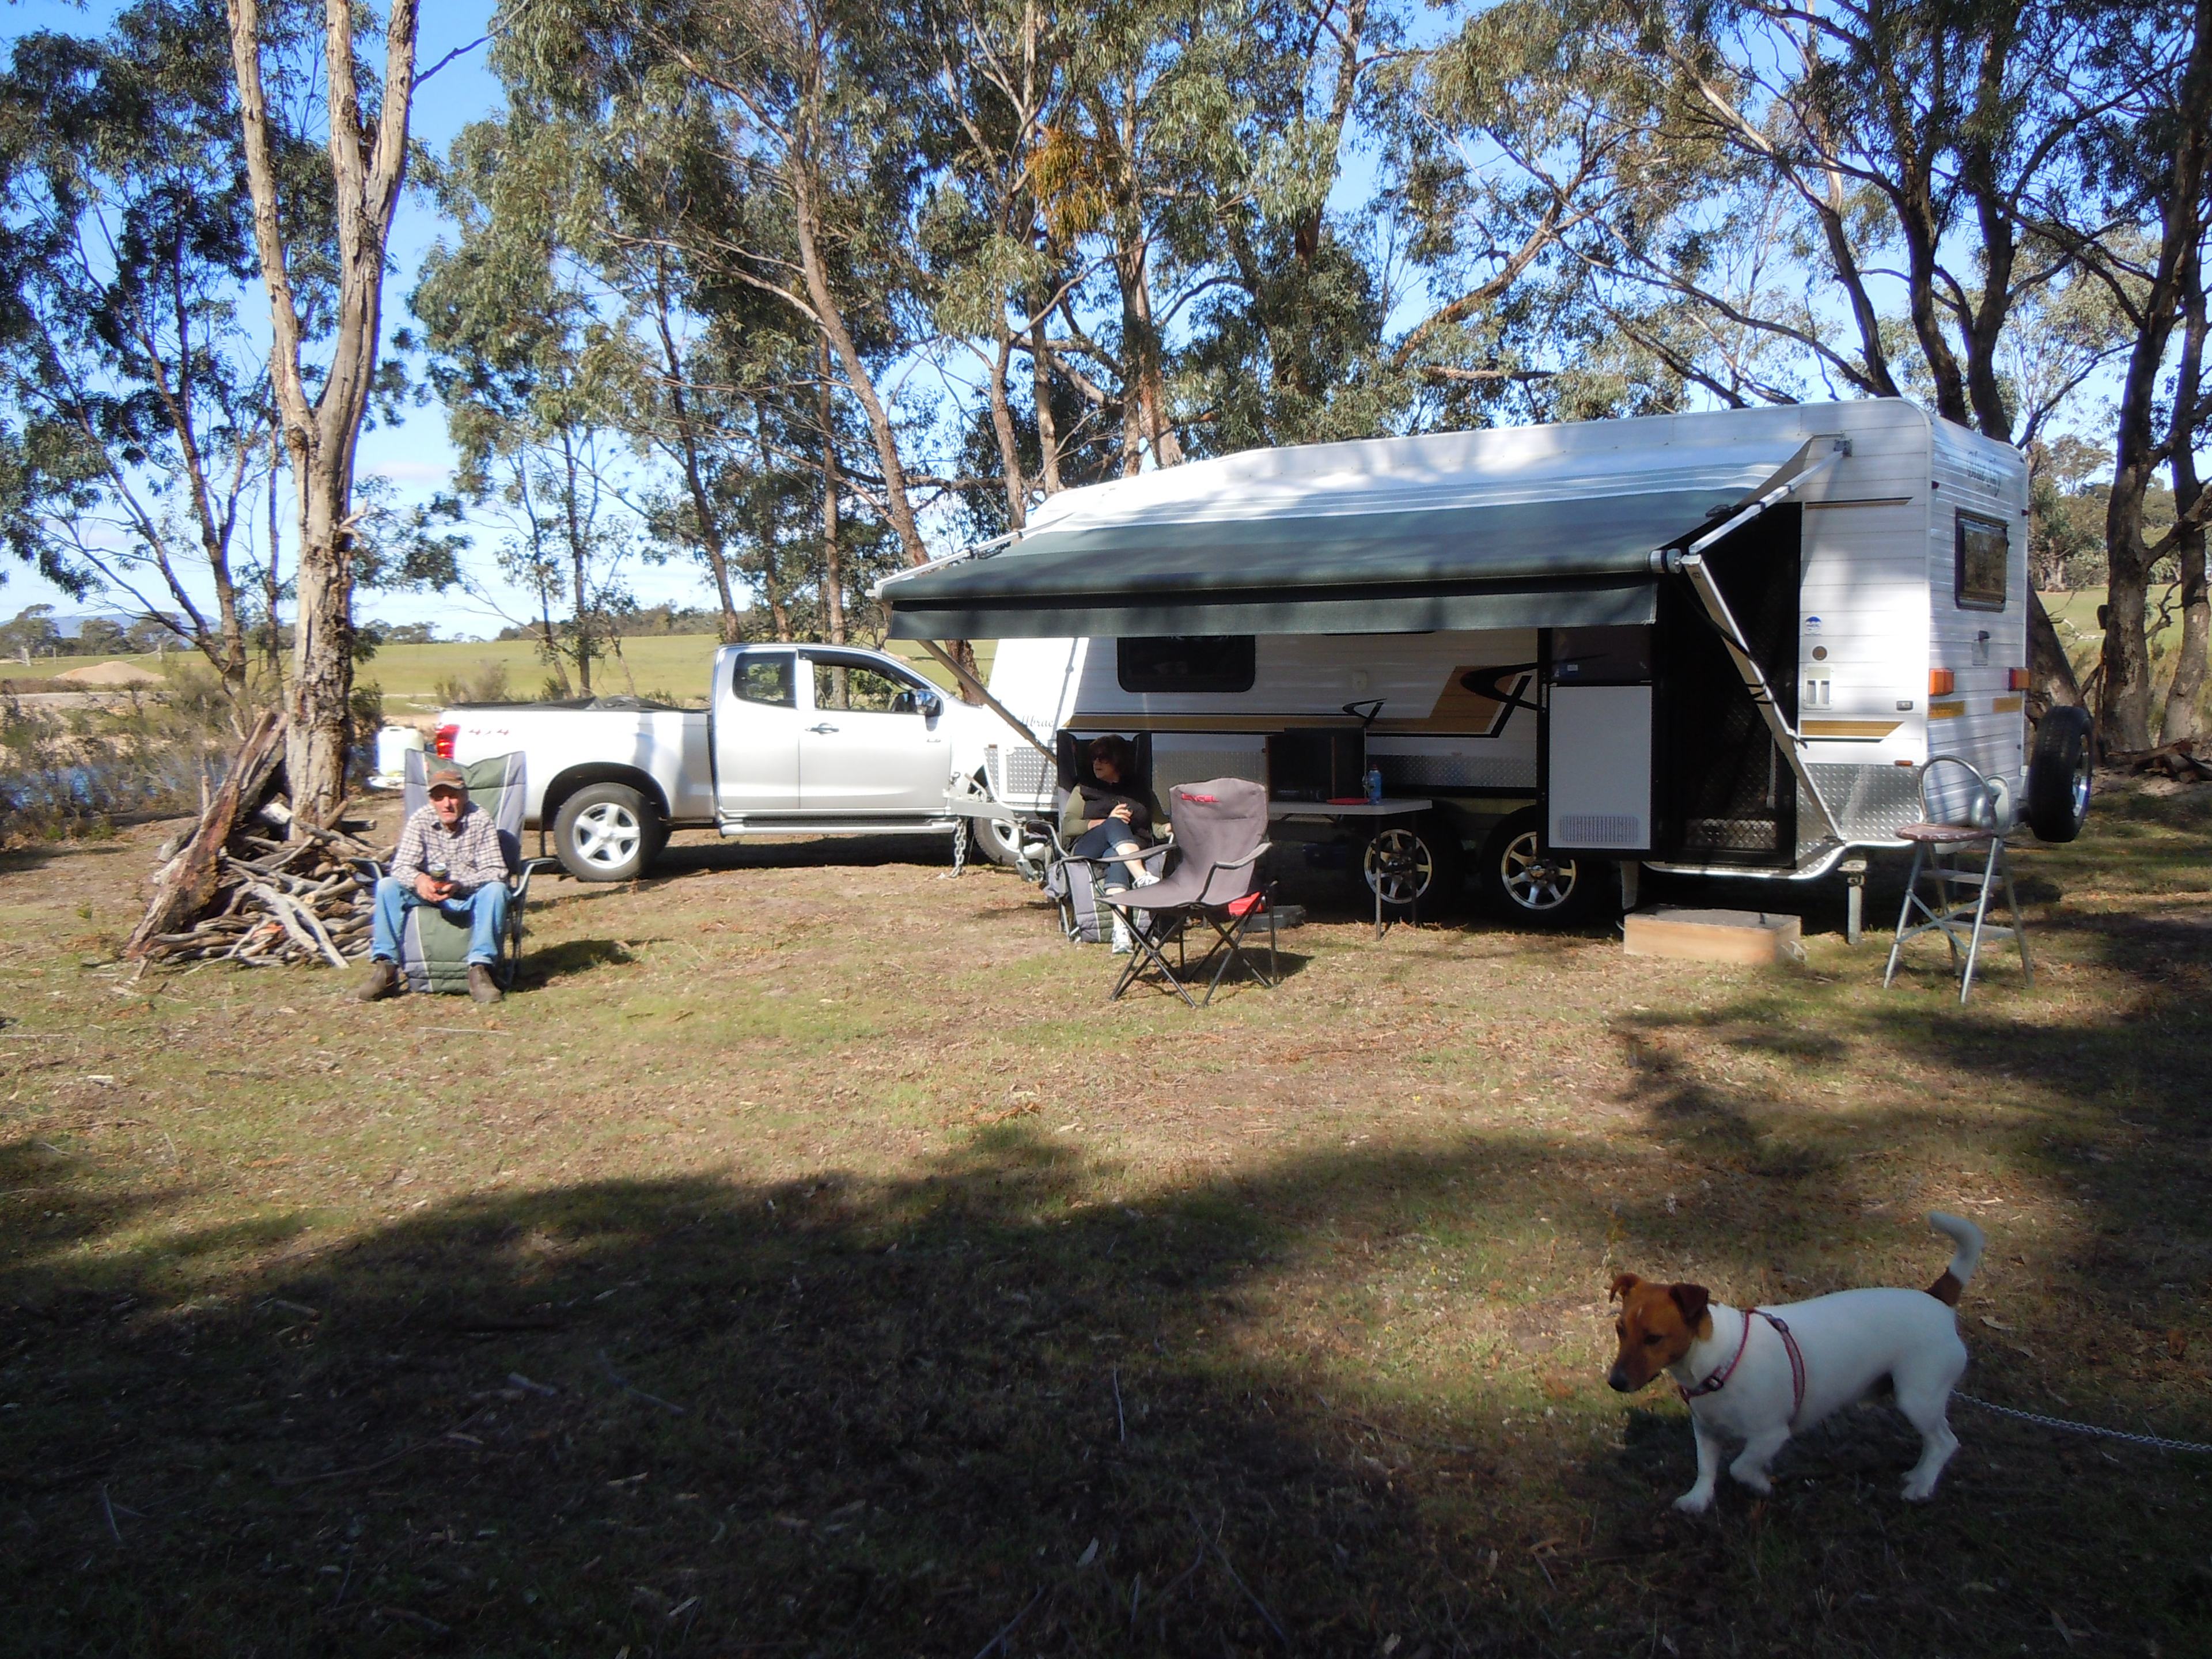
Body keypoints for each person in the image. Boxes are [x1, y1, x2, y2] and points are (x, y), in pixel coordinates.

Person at [357, 764, 512, 1004]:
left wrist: (460, 884)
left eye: (453, 796)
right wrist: (420, 880)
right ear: (431, 800)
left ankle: (480, 969)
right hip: (429, 894)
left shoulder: (480, 820)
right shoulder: (420, 820)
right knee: (388, 886)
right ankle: (386, 969)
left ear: (465, 796)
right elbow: (401, 866)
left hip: (468, 894)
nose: (447, 804)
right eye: (439, 797)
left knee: (496, 890)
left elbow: (496, 870)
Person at [1060, 736, 1169, 952]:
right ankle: (1142, 878)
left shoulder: (1140, 791)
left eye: (1103, 758)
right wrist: (1102, 821)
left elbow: (1158, 826)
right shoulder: (1083, 790)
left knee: (1118, 858)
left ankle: (1121, 934)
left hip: (1124, 851)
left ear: (1118, 761)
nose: (1096, 763)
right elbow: (1068, 826)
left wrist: (1172, 828)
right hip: (1089, 849)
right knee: (1114, 823)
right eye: (1094, 759)